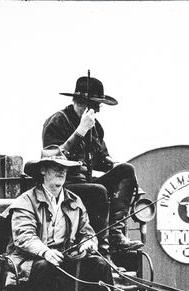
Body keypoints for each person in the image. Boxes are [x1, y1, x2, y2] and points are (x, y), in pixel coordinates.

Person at [42, 74, 143, 254]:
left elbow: (102, 159)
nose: (97, 110)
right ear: (80, 102)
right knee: (98, 191)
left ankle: (115, 235)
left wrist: (113, 165)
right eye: (94, 105)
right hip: (63, 187)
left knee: (126, 170)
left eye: (98, 106)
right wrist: (80, 131)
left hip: (86, 184)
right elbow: (54, 158)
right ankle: (103, 252)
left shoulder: (96, 127)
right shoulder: (57, 122)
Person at [7, 146, 112, 291]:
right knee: (46, 267)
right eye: (56, 167)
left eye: (64, 168)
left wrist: (88, 243)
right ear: (43, 170)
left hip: (66, 257)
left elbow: (87, 232)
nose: (61, 172)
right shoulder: (25, 201)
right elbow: (24, 236)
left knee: (100, 265)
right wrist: (45, 252)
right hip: (31, 261)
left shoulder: (74, 201)